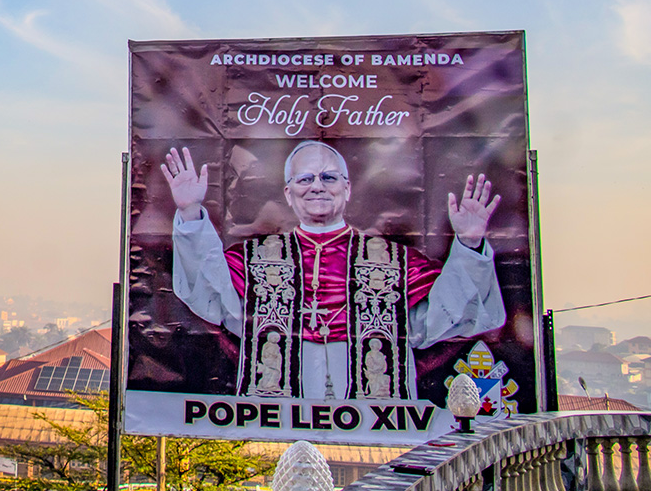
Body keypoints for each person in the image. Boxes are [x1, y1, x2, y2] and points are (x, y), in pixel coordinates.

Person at [161, 141, 506, 401]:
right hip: (272, 425)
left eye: (328, 177)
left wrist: (470, 246)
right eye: (305, 179)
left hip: (378, 426)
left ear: (347, 188)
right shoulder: (255, 259)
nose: (317, 186)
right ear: (289, 192)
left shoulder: (393, 261)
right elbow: (210, 299)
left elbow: (436, 322)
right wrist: (190, 213)